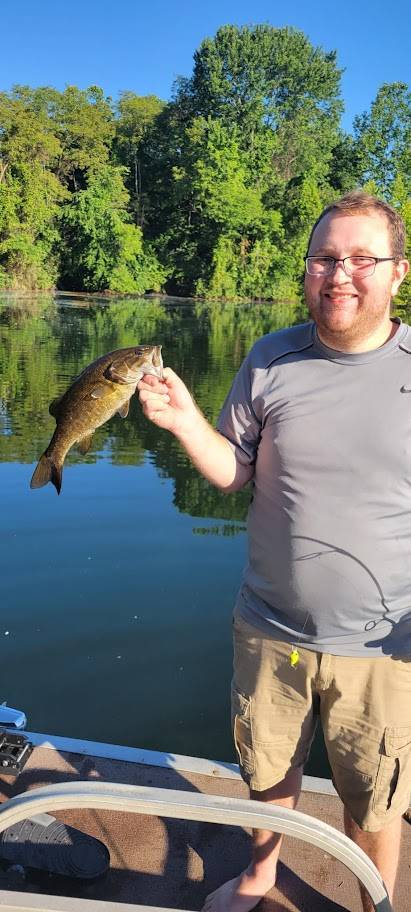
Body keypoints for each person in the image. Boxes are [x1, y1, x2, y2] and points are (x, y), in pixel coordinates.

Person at [138, 191, 410, 912]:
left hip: (384, 650)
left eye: (361, 259)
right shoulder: (269, 358)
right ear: (306, 269)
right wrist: (184, 420)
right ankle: (260, 874)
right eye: (325, 258)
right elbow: (235, 471)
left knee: (373, 796)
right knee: (266, 767)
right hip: (270, 628)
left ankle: (372, 901)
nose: (339, 274)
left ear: (398, 272)